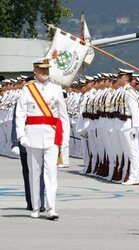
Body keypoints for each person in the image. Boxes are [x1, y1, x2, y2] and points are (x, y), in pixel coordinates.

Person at [15, 58, 70, 220]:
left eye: (47, 69)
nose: (45, 72)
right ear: (35, 72)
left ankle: (51, 208)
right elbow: (20, 114)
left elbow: (63, 116)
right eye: (42, 70)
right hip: (32, 136)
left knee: (51, 173)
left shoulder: (56, 89)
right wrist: (21, 135)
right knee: (34, 173)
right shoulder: (27, 90)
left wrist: (65, 139)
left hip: (52, 136)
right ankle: (36, 207)